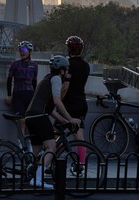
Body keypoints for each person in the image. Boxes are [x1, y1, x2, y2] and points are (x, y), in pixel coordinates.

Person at [24, 55, 80, 190]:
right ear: (61, 70)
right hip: (40, 117)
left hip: (30, 117)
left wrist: (65, 121)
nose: (67, 73)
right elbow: (57, 102)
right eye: (66, 70)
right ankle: (38, 179)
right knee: (51, 148)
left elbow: (50, 110)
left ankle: (31, 175)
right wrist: (71, 119)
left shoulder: (46, 79)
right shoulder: (56, 79)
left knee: (36, 152)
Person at [61, 35, 91, 164]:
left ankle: (51, 160)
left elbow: (65, 87)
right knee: (79, 137)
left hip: (69, 103)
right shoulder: (86, 65)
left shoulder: (68, 65)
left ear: (69, 49)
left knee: (56, 133)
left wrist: (58, 100)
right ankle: (81, 165)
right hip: (81, 103)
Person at [5, 41, 38, 135]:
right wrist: (9, 95)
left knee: (30, 120)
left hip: (30, 95)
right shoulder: (15, 64)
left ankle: (30, 143)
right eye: (20, 50)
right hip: (18, 95)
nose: (22, 52)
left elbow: (34, 82)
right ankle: (21, 141)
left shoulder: (34, 65)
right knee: (22, 120)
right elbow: (9, 80)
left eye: (24, 50)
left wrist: (35, 96)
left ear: (30, 52)